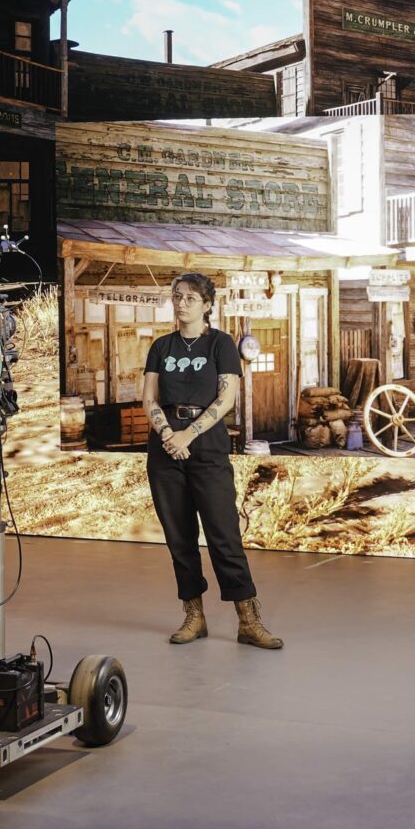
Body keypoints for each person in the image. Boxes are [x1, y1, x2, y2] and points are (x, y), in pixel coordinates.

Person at [142, 272, 281, 650]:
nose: (181, 302)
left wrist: (188, 434)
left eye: (190, 297)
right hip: (165, 450)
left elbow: (226, 399)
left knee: (224, 535)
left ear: (206, 304)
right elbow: (149, 399)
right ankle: (194, 615)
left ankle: (248, 620)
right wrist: (168, 435)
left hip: (206, 448)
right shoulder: (161, 347)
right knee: (179, 537)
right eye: (177, 296)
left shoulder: (220, 344)